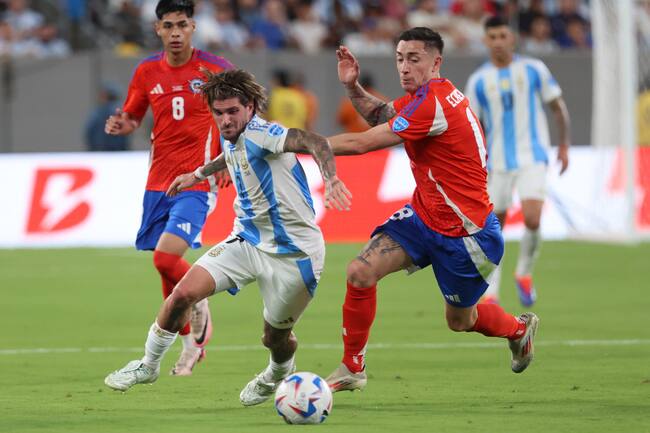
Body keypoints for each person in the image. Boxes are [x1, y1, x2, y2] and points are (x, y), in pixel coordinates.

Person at [104, 68, 352, 406]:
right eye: (218, 113)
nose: (225, 120)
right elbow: (230, 156)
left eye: (233, 111)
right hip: (247, 241)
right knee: (183, 294)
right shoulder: (231, 136)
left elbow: (314, 141)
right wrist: (198, 173)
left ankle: (277, 373)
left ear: (250, 107)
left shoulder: (265, 133)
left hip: (296, 255)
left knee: (275, 338)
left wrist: (332, 178)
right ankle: (148, 365)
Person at [322, 27, 539, 393]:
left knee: (460, 320)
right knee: (360, 270)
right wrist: (351, 87)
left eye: (414, 59)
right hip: (424, 217)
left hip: (467, 236)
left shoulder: (434, 103)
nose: (404, 68)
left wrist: (291, 143)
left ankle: (518, 329)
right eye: (400, 59)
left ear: (436, 62)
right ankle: (351, 367)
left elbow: (362, 144)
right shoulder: (422, 97)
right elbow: (380, 115)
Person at [104, 0, 234, 376]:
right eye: (168, 26)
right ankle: (189, 341)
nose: (175, 32)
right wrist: (122, 125)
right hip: (157, 182)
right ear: (157, 29)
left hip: (197, 180)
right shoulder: (146, 71)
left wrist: (224, 159)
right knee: (164, 270)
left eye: (182, 25)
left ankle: (202, 302)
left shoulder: (215, 70)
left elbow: (241, 113)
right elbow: (132, 117)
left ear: (193, 27)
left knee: (165, 259)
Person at [464, 16, 571, 306]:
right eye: (493, 37)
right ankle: (491, 292)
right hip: (497, 163)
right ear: (486, 41)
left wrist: (563, 145)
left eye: (503, 36)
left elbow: (557, 107)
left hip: (532, 156)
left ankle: (523, 272)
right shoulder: (478, 81)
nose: (498, 42)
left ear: (512, 39)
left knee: (533, 217)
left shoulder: (534, 69)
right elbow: (471, 128)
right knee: (493, 226)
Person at [85, 83, 130, 151]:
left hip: (100, 152)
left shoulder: (98, 113)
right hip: (118, 154)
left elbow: (89, 132)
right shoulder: (121, 112)